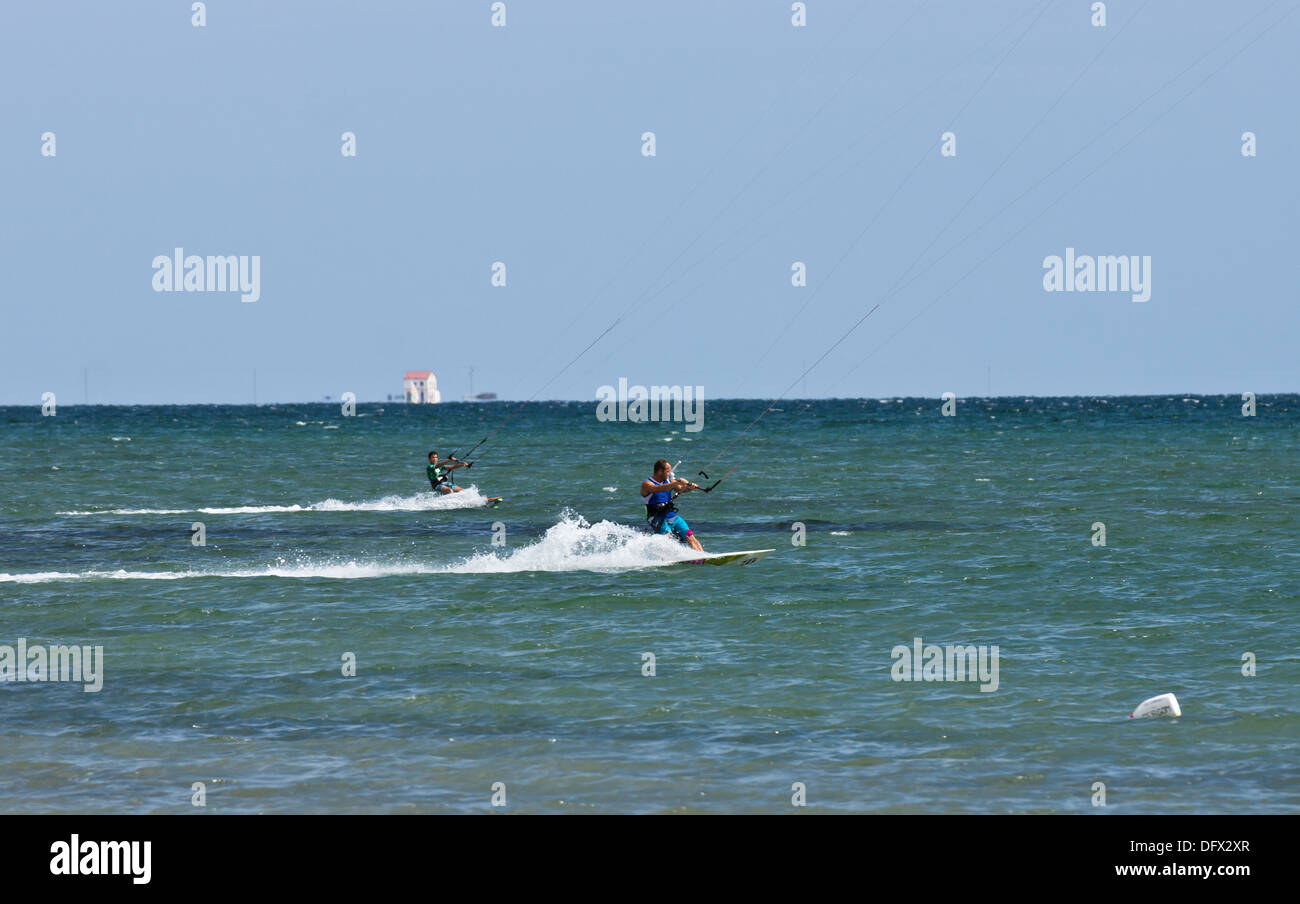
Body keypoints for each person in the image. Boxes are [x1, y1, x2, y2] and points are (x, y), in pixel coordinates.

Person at [640, 459, 704, 552]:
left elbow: (682, 489)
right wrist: (675, 483)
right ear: (659, 471)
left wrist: (689, 487)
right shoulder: (647, 484)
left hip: (670, 514)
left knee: (689, 535)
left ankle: (702, 556)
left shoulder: (669, 481)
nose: (669, 473)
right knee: (666, 535)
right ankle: (664, 558)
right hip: (656, 517)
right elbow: (658, 489)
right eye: (667, 471)